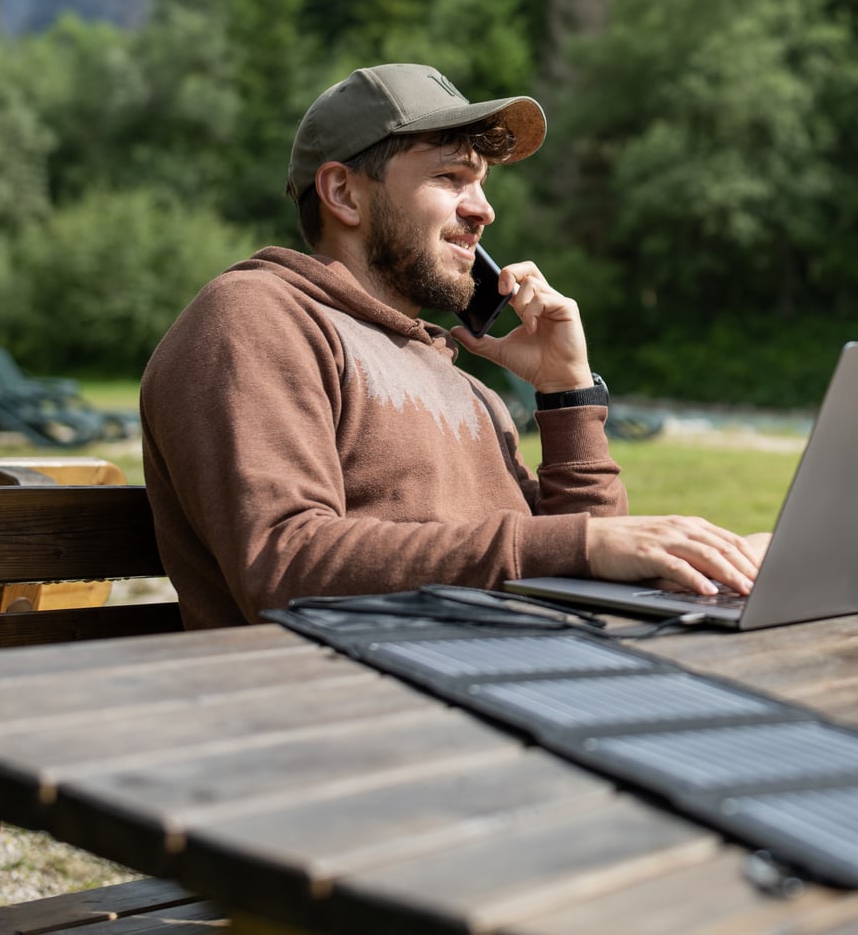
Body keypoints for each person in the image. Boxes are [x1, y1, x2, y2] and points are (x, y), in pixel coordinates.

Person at [140, 63, 767, 629]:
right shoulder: (257, 317)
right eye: (450, 178)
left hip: (503, 692)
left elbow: (589, 584)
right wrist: (580, 548)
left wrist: (566, 394)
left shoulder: (468, 388)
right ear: (343, 193)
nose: (484, 210)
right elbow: (283, 566)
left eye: (482, 183)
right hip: (341, 724)